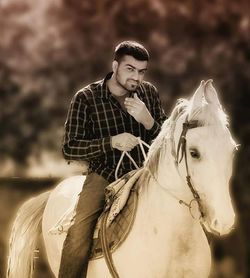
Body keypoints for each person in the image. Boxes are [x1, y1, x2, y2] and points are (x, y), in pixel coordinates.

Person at [59, 41, 167, 277]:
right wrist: (112, 142)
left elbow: (167, 142)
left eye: (141, 71)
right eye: (130, 69)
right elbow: (70, 148)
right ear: (115, 65)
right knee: (79, 233)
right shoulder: (86, 98)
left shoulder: (148, 93)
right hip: (104, 174)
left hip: (145, 171)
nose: (136, 77)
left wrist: (148, 121)